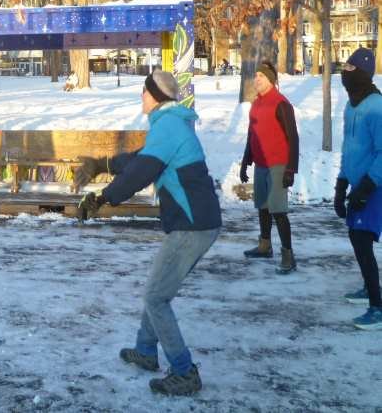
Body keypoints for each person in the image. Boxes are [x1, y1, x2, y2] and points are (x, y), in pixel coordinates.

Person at [78, 70, 221, 396]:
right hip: (198, 222)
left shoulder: (168, 126)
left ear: (156, 95)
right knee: (159, 290)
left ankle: (184, 372)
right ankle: (145, 350)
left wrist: (103, 198)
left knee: (156, 297)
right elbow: (140, 158)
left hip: (192, 225)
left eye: (144, 92)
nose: (141, 97)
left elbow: (142, 171)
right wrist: (102, 164)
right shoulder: (168, 124)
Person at [334, 47, 382, 330]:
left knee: (362, 240)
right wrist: (341, 184)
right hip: (356, 184)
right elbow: (348, 148)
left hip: (375, 185)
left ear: (363, 74)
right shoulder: (350, 106)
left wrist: (366, 187)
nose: (345, 74)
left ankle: (377, 307)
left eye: (351, 70)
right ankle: (368, 286)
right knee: (356, 237)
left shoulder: (377, 108)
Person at [239, 61, 299, 273]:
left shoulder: (281, 103)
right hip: (261, 163)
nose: (256, 79)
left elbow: (293, 137)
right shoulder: (256, 104)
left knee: (278, 210)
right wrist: (246, 160)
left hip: (278, 164)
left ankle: (288, 256)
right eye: (255, 76)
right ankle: (265, 246)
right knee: (262, 206)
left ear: (271, 81)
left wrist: (291, 169)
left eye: (261, 77)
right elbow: (251, 134)